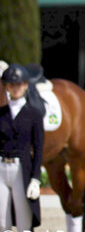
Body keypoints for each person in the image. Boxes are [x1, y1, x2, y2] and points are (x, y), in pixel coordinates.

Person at [0, 64, 44, 231]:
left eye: (19, 84)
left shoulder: (34, 114)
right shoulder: (1, 113)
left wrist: (36, 178)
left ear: (25, 85)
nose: (15, 88)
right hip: (1, 168)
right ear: (6, 87)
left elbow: (38, 147)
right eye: (11, 85)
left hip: (21, 169)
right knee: (2, 223)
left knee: (24, 222)